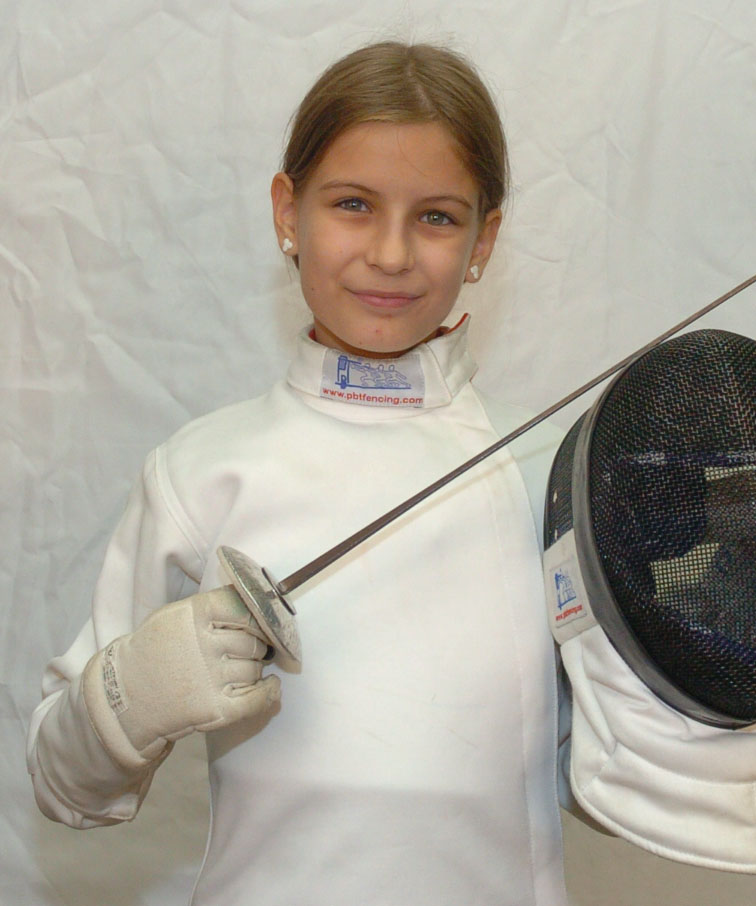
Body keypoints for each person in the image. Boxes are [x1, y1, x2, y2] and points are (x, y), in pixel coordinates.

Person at [26, 41, 568, 905]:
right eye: (353, 204)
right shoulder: (203, 470)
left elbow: (629, 769)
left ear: (484, 239)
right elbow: (67, 791)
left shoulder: (553, 470)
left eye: (436, 217)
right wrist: (136, 694)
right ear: (288, 212)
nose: (390, 253)